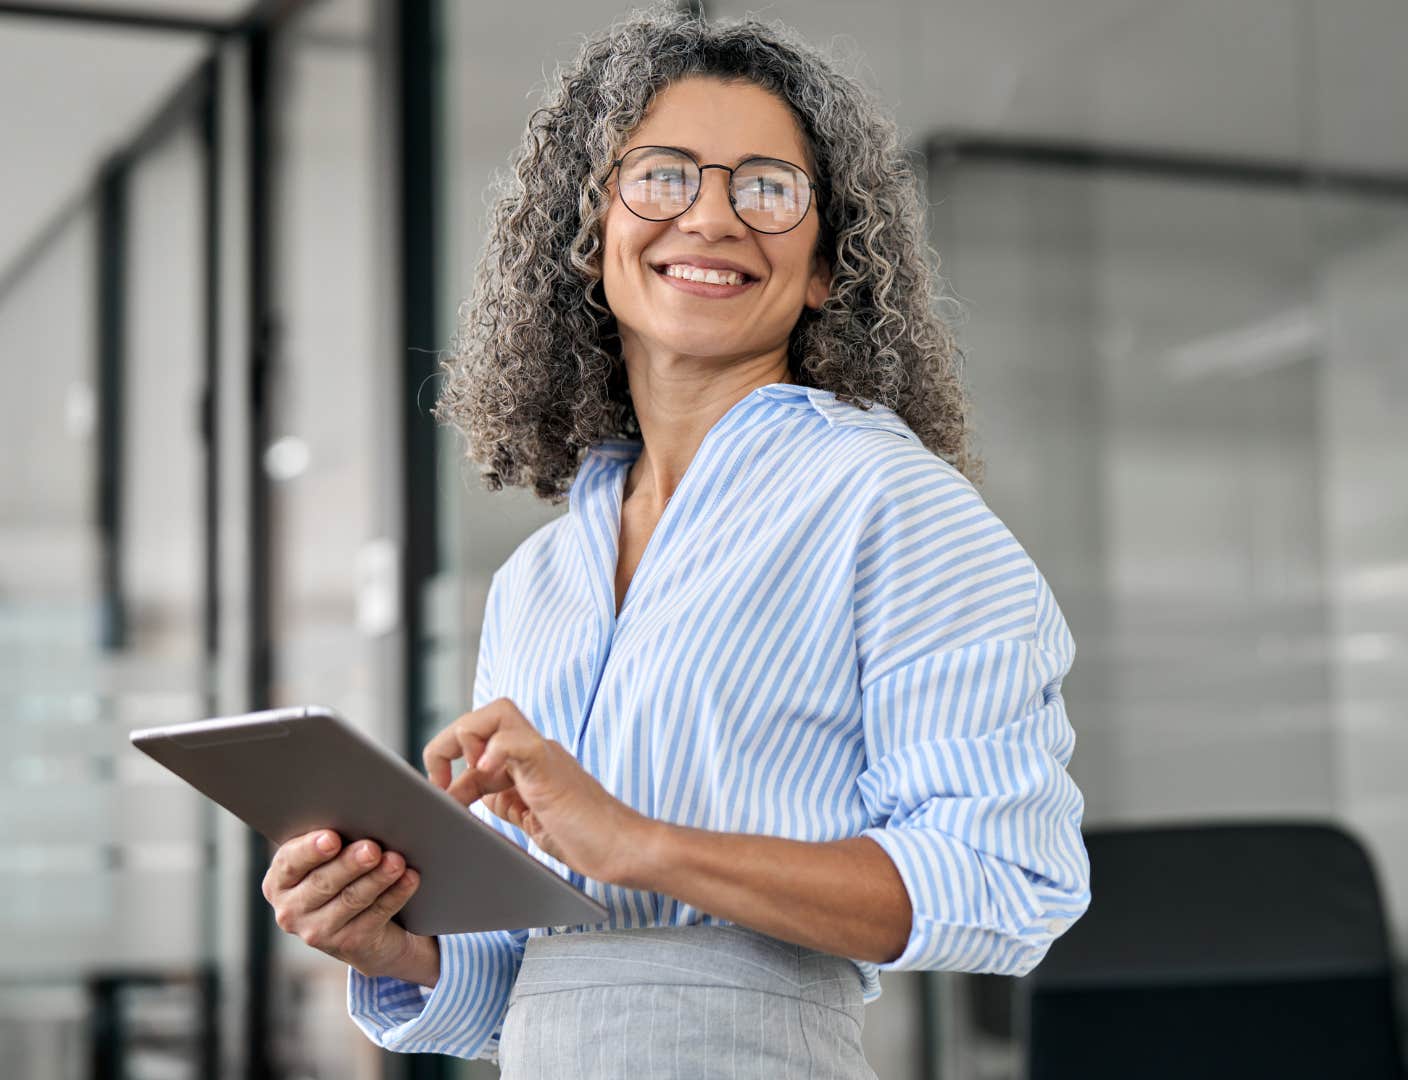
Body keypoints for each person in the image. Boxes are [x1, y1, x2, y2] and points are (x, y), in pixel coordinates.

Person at [257, 4, 1090, 1074]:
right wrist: (393, 941)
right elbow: (525, 979)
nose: (710, 217)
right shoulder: (540, 580)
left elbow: (1009, 880)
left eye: (766, 188)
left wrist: (644, 845)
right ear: (590, 236)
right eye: (661, 176)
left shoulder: (888, 504)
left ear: (831, 265)